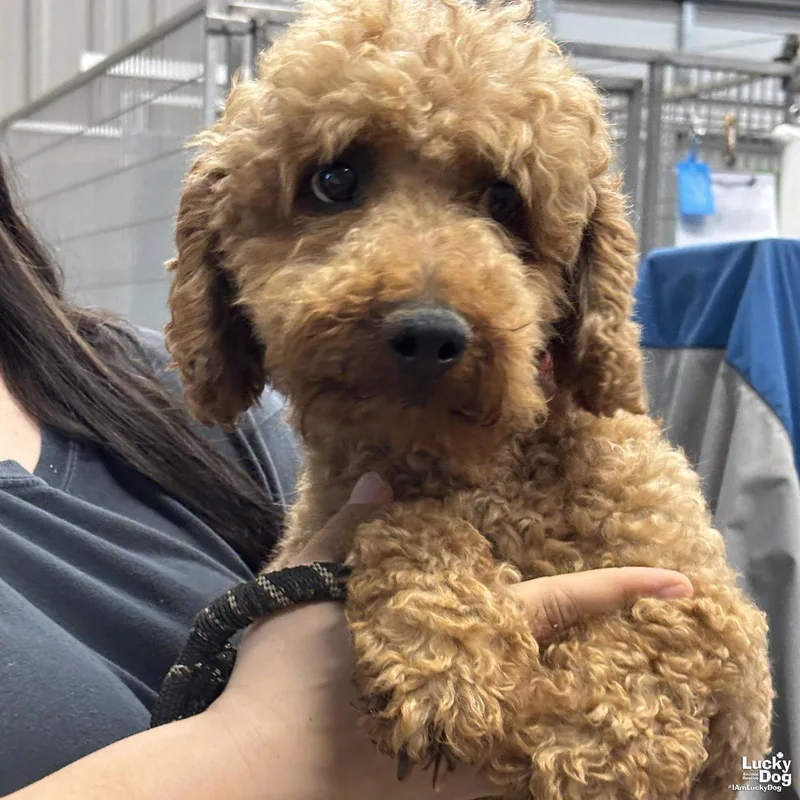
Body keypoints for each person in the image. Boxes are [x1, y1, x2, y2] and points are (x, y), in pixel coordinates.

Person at [0, 155, 694, 800]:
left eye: (501, 204)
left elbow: (727, 707)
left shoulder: (140, 384)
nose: (423, 291)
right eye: (337, 186)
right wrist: (248, 753)